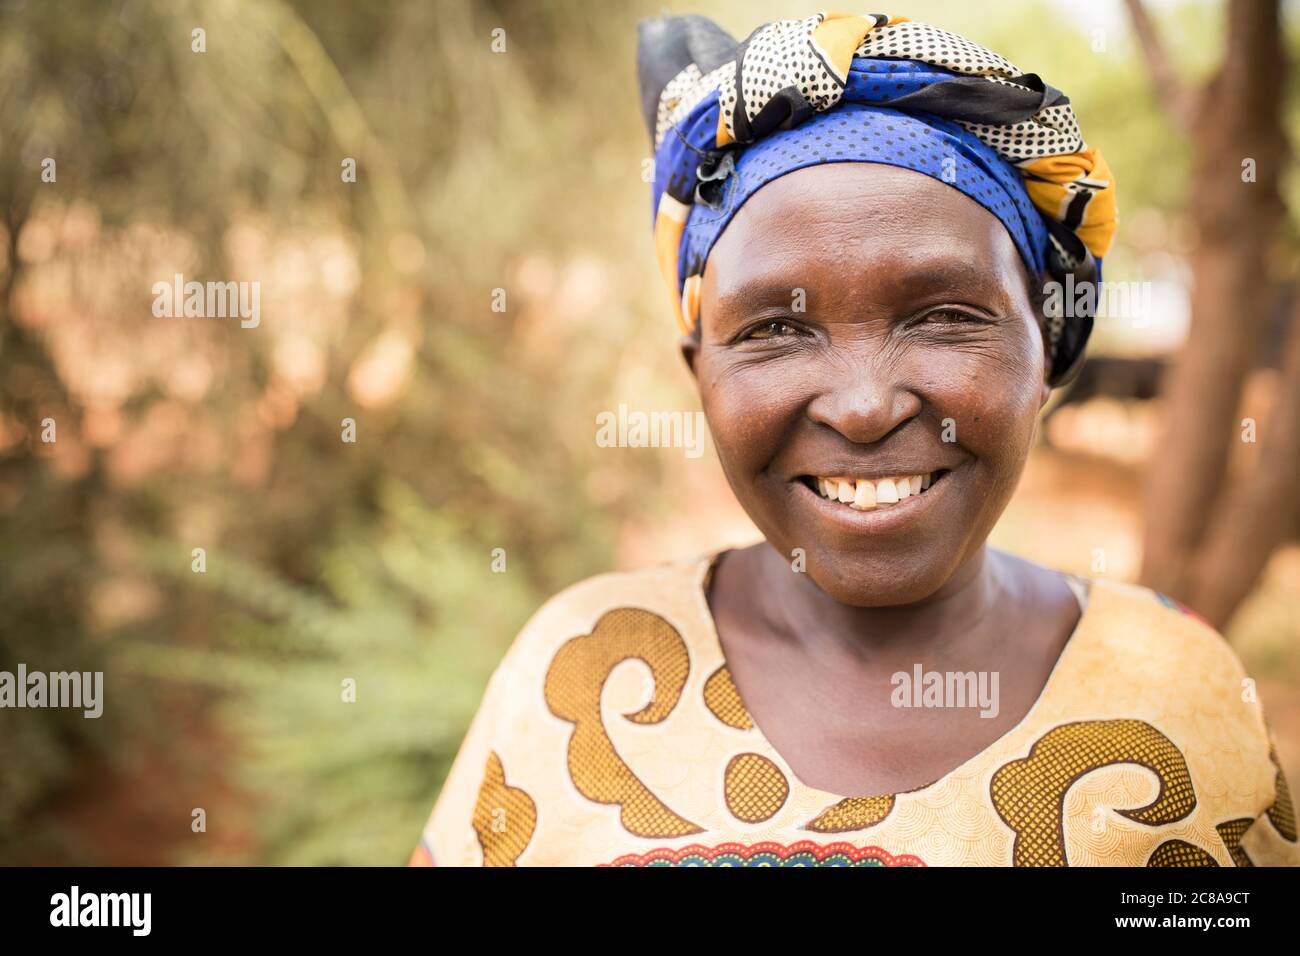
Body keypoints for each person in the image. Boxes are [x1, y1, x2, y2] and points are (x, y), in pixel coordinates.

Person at [409, 11, 1298, 867]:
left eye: (945, 316)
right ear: (699, 374)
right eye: (776, 330)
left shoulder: (1181, 693)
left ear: (1049, 349)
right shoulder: (568, 668)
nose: (864, 407)